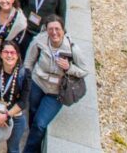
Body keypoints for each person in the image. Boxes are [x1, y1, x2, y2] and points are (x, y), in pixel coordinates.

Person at [22, 16, 88, 152]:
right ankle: (33, 139)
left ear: (63, 30)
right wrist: (27, 80)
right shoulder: (39, 41)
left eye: (57, 29)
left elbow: (84, 70)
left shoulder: (72, 48)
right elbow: (28, 62)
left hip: (56, 92)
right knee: (33, 113)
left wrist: (69, 68)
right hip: (38, 83)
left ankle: (29, 150)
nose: (54, 32)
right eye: (50, 29)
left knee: (40, 123)